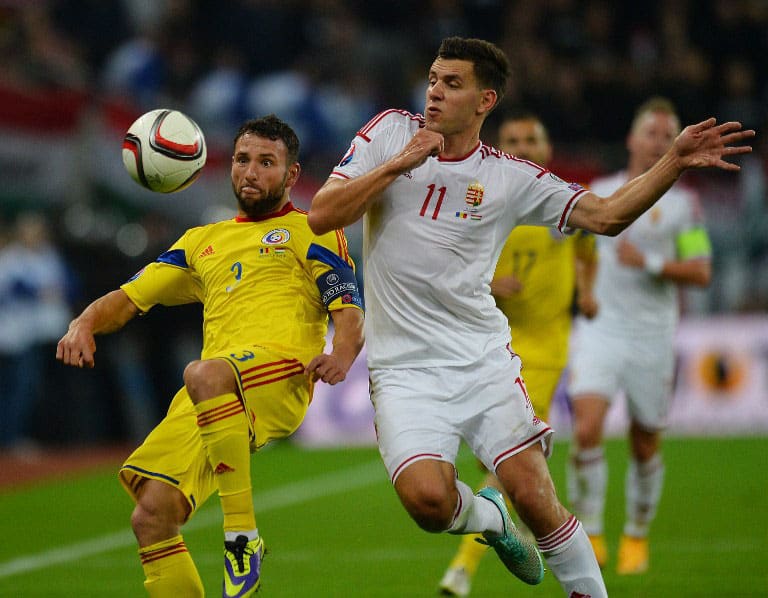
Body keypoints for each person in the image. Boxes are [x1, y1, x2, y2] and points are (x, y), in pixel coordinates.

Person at [307, 36, 752, 597]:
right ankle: (488, 519)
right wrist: (400, 164)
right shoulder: (391, 131)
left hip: (481, 360)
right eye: (433, 79)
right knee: (427, 502)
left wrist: (674, 161)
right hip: (403, 370)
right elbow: (323, 215)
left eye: (452, 83)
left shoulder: (510, 178)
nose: (435, 92)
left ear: (485, 100)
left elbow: (607, 216)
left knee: (537, 498)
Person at [56, 114, 364, 598]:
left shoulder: (314, 229)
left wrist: (343, 355)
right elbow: (130, 298)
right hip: (213, 393)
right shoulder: (202, 241)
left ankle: (241, 537)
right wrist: (84, 323)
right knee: (152, 515)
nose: (251, 172)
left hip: (278, 373)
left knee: (202, 372)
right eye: (243, 159)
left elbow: (348, 309)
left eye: (267, 162)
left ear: (291, 175)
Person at [438, 112, 599, 597]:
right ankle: (525, 524)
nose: (524, 146)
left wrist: (587, 292)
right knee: (504, 467)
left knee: (506, 464)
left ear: (548, 149)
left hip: (545, 353)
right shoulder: (480, 201)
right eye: (513, 140)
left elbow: (589, 251)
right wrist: (487, 283)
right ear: (497, 145)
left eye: (533, 138)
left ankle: (463, 569)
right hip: (486, 348)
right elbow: (448, 266)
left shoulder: (563, 205)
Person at [565, 97, 713, 575]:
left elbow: (701, 271)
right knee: (586, 430)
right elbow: (580, 254)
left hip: (652, 335)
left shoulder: (685, 206)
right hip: (600, 329)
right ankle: (589, 530)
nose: (657, 141)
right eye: (651, 132)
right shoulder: (601, 192)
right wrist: (583, 291)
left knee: (644, 443)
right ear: (631, 139)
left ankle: (636, 532)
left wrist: (647, 262)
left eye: (667, 135)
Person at [0, 213, 73, 454]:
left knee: (45, 391)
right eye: (30, 230)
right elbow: (14, 289)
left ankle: (47, 438)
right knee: (21, 389)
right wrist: (41, 292)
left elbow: (71, 285)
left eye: (38, 230)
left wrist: (48, 291)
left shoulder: (49, 255)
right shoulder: (12, 258)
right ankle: (11, 439)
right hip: (19, 338)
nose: (35, 234)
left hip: (51, 335)